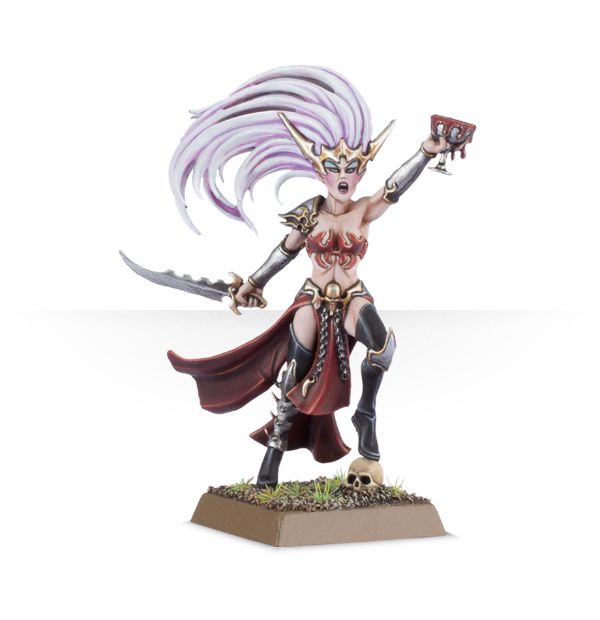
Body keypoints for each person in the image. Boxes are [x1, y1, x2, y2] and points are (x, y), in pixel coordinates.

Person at [166, 66, 448, 486]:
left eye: (352, 168)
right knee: (293, 378)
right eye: (335, 167)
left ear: (361, 171)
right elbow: (284, 250)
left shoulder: (364, 211)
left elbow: (395, 187)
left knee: (382, 346)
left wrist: (426, 151)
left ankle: (366, 414)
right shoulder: (310, 214)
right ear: (320, 170)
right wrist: (254, 283)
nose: (344, 176)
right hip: (312, 299)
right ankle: (272, 460)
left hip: (352, 297)